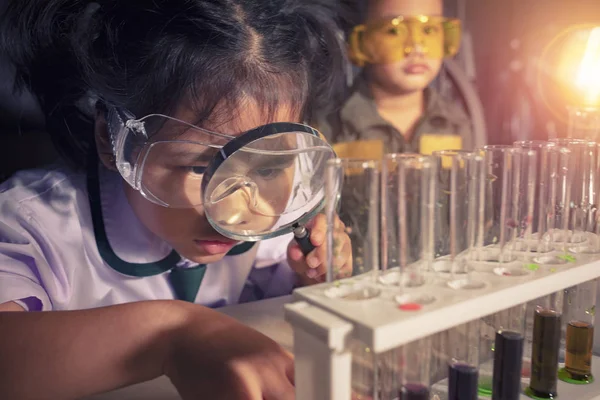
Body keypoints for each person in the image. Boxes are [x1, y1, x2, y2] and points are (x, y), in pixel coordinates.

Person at [0, 0, 352, 399]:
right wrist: (171, 335)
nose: (239, 211)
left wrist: (313, 275)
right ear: (111, 140)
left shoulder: (271, 220)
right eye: (200, 168)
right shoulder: (30, 223)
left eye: (268, 169)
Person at [317, 0, 475, 158]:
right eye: (394, 31)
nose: (417, 48)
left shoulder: (456, 124)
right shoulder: (329, 126)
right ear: (361, 42)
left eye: (429, 29)